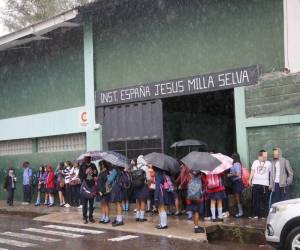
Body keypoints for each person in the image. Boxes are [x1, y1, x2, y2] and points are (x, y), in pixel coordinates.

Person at [249, 150, 272, 219]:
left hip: (265, 185)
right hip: (255, 184)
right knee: (256, 200)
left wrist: (271, 183)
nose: (266, 157)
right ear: (260, 156)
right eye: (264, 156)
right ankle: (255, 214)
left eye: (266, 156)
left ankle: (264, 215)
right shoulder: (255, 162)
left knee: (264, 200)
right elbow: (252, 171)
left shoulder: (268, 163)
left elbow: (271, 174)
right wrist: (249, 180)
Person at [79, 156, 98, 224]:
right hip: (85, 187)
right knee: (84, 204)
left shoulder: (93, 165)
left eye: (89, 159)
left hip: (92, 186)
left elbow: (96, 174)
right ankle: (84, 217)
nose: (87, 160)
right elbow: (80, 176)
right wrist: (86, 172)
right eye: (86, 159)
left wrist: (93, 172)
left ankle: (91, 217)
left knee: (91, 204)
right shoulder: (82, 166)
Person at [132, 155, 150, 222]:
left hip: (136, 187)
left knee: (138, 201)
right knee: (143, 201)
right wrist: (149, 183)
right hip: (143, 186)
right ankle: (142, 217)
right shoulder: (145, 167)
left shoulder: (134, 168)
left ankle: (137, 216)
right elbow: (148, 178)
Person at [228, 153, 244, 217]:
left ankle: (241, 212)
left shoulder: (236, 164)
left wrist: (230, 175)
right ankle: (240, 211)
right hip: (235, 182)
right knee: (237, 197)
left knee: (237, 198)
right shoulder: (236, 164)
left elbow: (238, 174)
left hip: (237, 182)